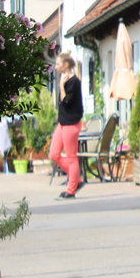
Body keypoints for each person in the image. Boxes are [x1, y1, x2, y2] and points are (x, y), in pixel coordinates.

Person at [51, 53, 85, 198]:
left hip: (72, 123)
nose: (56, 66)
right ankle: (76, 179)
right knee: (54, 154)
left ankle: (71, 189)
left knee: (71, 157)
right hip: (63, 122)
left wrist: (61, 87)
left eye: (58, 64)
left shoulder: (74, 82)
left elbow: (66, 101)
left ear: (66, 65)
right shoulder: (65, 79)